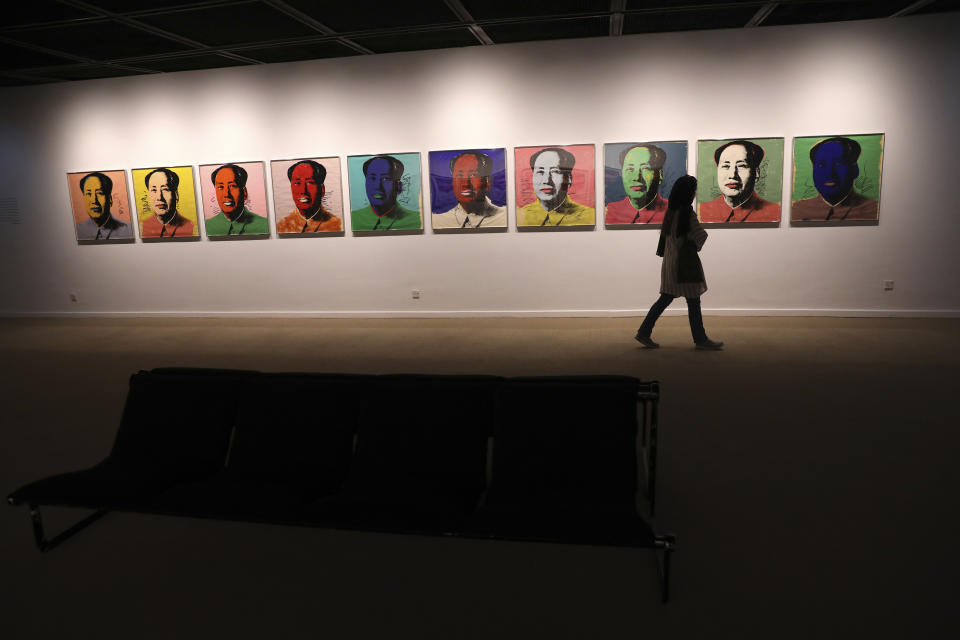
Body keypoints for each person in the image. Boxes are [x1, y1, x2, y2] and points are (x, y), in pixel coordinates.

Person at [635, 175, 723, 350]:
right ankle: (700, 339)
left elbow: (668, 240)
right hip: (684, 265)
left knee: (666, 299)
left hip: (670, 263)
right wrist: (695, 244)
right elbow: (700, 236)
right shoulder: (686, 213)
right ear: (689, 193)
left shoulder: (671, 212)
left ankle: (644, 332)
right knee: (692, 300)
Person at [791, 136, 879, 221]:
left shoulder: (873, 210)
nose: (830, 173)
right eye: (822, 165)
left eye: (839, 163)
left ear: (855, 170)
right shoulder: (797, 210)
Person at [699, 140, 780, 223]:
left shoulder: (776, 211)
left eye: (741, 166)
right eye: (726, 166)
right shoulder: (701, 211)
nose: (732, 175)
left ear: (756, 173)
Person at [519, 147, 595, 226]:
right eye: (540, 172)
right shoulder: (521, 215)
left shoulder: (590, 216)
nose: (546, 180)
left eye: (555, 171)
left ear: (569, 179)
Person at [433, 151, 506, 229]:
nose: (465, 183)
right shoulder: (438, 221)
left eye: (473, 175)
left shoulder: (503, 217)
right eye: (459, 175)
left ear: (487, 182)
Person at [351, 155, 420, 231]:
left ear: (399, 186)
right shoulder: (353, 218)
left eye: (386, 179)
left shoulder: (415, 220)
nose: (377, 186)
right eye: (372, 178)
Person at [605, 144, 669, 224]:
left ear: (660, 175)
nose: (636, 177)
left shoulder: (673, 212)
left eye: (645, 168)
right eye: (630, 169)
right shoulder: (608, 212)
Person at [276, 160, 342, 233]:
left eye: (310, 182)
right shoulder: (281, 226)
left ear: (322, 189)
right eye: (297, 183)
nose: (303, 190)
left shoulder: (338, 225)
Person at [204, 163, 269, 236]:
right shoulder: (207, 226)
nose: (226, 194)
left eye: (232, 186)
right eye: (221, 187)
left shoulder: (264, 225)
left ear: (244, 193)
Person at [75, 172, 133, 241]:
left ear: (110, 200)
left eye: (99, 193)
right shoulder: (78, 231)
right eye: (88, 194)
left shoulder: (128, 230)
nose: (94, 200)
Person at [140, 168, 194, 239]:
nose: (159, 197)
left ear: (176, 195)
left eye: (165, 189)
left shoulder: (191, 227)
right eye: (154, 190)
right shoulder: (143, 226)